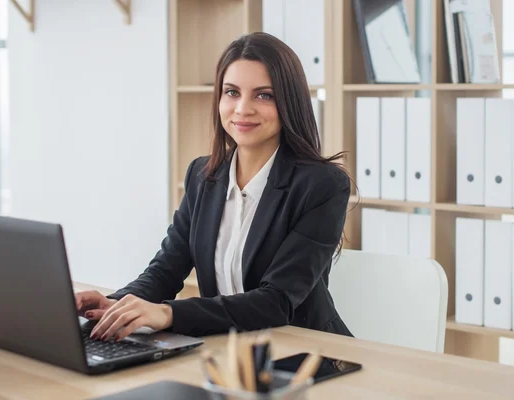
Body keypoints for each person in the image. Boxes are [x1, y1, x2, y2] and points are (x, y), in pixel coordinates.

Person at [76, 32, 353, 343]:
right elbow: (166, 270)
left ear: (289, 101)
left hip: (300, 353)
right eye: (232, 92)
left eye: (264, 95)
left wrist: (168, 313)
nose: (242, 109)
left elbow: (276, 302)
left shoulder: (323, 185)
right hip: (224, 351)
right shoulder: (202, 175)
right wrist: (116, 304)